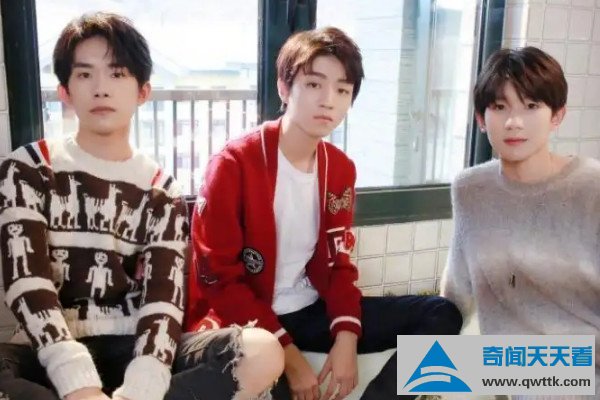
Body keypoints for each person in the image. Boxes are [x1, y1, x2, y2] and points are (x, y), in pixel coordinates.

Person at [0, 12, 282, 400]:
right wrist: (80, 386)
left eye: (117, 74)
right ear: (65, 90)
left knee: (262, 351)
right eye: (84, 74)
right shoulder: (27, 168)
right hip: (48, 352)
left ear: (143, 91)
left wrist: (141, 390)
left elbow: (163, 301)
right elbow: (26, 283)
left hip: (136, 349)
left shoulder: (161, 189)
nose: (101, 89)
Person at [185, 26, 462, 400]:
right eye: (314, 84)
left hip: (307, 311)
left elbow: (337, 264)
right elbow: (219, 280)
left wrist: (346, 334)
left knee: (441, 314)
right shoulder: (233, 165)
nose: (328, 100)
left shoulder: (339, 169)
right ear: (284, 89)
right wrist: (289, 356)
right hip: (245, 325)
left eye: (342, 90)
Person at [441, 46, 600, 399]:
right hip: (515, 369)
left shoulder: (593, 187)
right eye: (500, 107)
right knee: (416, 367)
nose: (514, 122)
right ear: (481, 119)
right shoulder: (470, 189)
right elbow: (456, 292)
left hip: (586, 368)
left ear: (557, 115)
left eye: (531, 106)